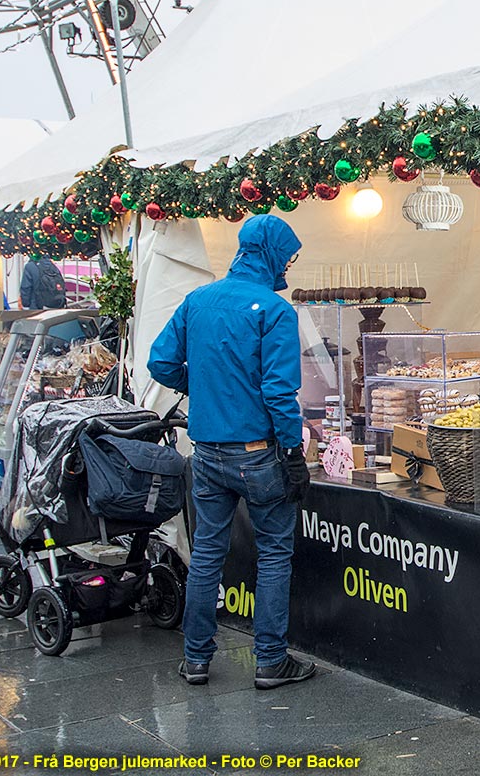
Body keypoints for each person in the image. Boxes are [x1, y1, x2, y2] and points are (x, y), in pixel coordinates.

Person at [148, 214, 315, 691]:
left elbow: (160, 362)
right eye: (289, 256)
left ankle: (196, 659)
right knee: (275, 554)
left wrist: (201, 388)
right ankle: (270, 661)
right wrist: (293, 454)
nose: (290, 264)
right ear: (274, 255)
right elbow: (280, 394)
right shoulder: (275, 311)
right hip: (259, 454)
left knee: (206, 555)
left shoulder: (197, 300)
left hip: (207, 454)